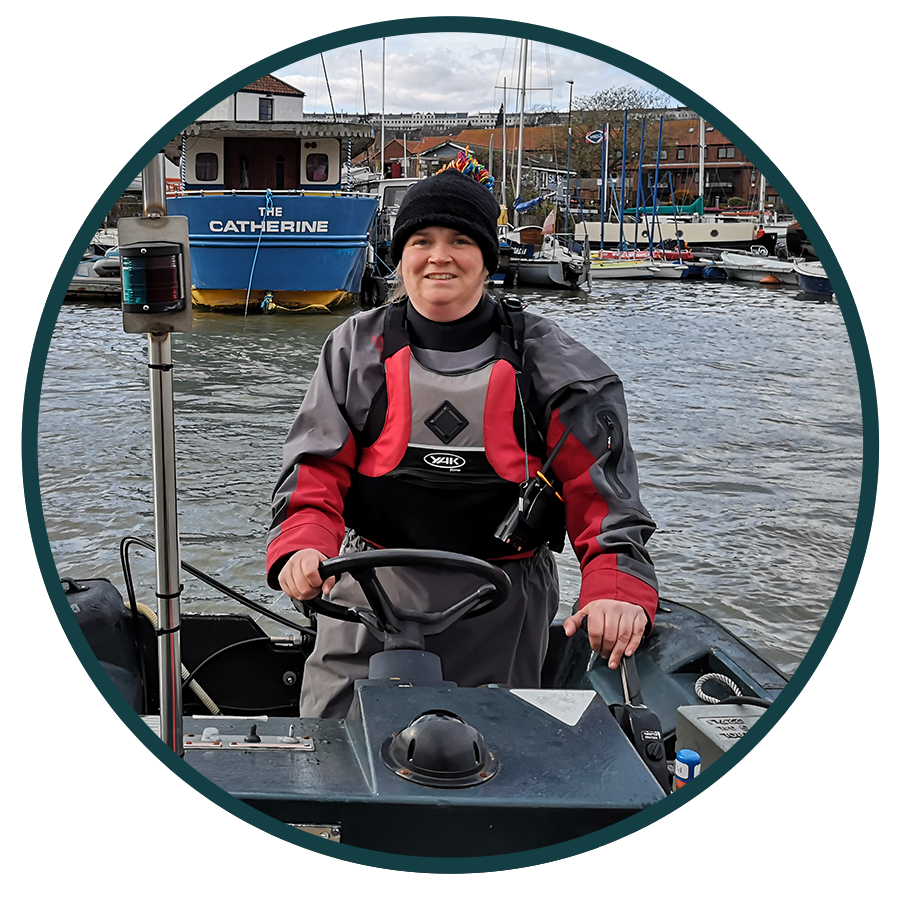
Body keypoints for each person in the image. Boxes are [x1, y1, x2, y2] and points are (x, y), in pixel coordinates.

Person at [266, 154, 658, 719]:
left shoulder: (557, 365)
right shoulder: (353, 348)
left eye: (460, 240)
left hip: (502, 601)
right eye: (421, 239)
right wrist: (304, 543)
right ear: (399, 257)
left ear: (487, 259)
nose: (439, 256)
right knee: (329, 751)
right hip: (366, 590)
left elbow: (605, 497)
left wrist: (614, 588)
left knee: (495, 763)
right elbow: (313, 468)